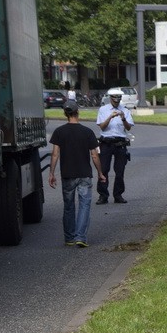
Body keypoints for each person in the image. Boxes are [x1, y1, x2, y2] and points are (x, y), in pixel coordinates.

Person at [48, 101, 105, 247]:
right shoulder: (87, 132)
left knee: (68, 206)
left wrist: (51, 173)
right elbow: (94, 155)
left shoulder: (59, 132)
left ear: (65, 114)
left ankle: (69, 238)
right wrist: (100, 173)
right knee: (84, 205)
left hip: (67, 174)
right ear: (77, 112)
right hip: (84, 174)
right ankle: (81, 237)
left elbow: (55, 154)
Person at [95, 88, 134, 204]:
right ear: (110, 98)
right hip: (106, 142)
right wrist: (110, 117)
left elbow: (128, 128)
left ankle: (118, 195)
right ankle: (103, 195)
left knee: (120, 170)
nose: (116, 101)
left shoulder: (125, 110)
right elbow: (102, 127)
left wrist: (123, 118)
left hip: (120, 143)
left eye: (118, 99)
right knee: (104, 169)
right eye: (114, 98)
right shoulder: (103, 109)